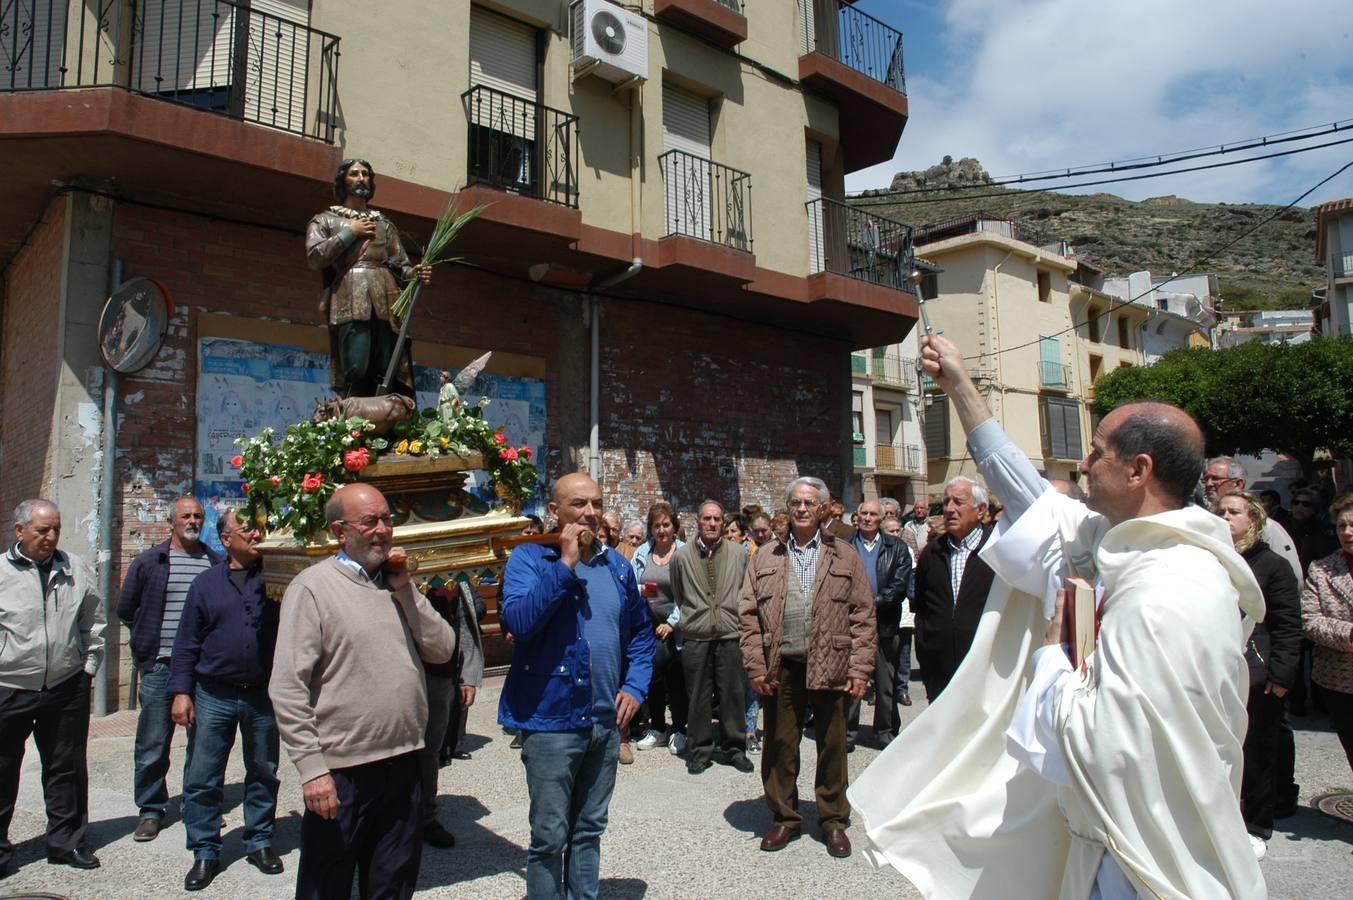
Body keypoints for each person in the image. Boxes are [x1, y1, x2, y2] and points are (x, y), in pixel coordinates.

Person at [852, 333, 1266, 899]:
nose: (1084, 462)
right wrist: (960, 387)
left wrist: (1052, 657)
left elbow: (1107, 747)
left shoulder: (1170, 588)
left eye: (1098, 453)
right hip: (1110, 834)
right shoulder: (1120, 540)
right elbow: (1032, 499)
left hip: (1151, 858)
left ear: (1139, 470)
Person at [270, 483, 454, 900]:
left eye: (388, 519)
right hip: (342, 772)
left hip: (405, 763)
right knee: (326, 886)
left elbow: (443, 648)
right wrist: (312, 768)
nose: (383, 530)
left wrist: (406, 588)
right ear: (340, 531)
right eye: (369, 521)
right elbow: (286, 686)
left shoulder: (397, 584)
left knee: (392, 884)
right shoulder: (312, 588)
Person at [498, 473, 655, 900]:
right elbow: (520, 623)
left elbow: (640, 636)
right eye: (578, 504)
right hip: (551, 720)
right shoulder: (530, 559)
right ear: (555, 511)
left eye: (597, 503)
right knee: (549, 835)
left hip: (604, 722)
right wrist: (565, 564)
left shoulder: (617, 566)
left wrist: (636, 688)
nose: (590, 513)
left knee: (588, 830)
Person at [740, 477, 876, 859]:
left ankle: (833, 821)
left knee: (833, 745)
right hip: (780, 666)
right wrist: (755, 666)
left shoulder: (845, 555)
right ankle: (784, 817)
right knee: (781, 744)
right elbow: (748, 615)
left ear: (822, 509)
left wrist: (860, 669)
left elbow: (863, 614)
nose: (802, 509)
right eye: (796, 503)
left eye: (809, 503)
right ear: (788, 508)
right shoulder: (766, 555)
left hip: (832, 663)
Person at [167, 510, 282, 890]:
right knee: (203, 777)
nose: (256, 532)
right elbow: (186, 643)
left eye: (259, 526)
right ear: (226, 537)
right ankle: (205, 850)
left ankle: (260, 840)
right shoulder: (205, 584)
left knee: (263, 770)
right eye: (246, 526)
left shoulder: (277, 578)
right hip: (213, 693)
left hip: (262, 695)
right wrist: (181, 692)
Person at [0, 499, 105, 877]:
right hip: (10, 686)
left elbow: (94, 620)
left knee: (66, 769)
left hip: (64, 685)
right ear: (20, 531)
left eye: (55, 529)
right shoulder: (1, 572)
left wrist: (88, 667)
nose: (51, 536)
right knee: (2, 769)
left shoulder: (74, 568)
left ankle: (67, 842)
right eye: (42, 530)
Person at [116, 497, 221, 842]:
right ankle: (151, 808)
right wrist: (148, 644)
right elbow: (127, 609)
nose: (192, 521)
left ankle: (197, 805)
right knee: (153, 741)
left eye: (197, 516)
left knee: (203, 742)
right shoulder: (150, 562)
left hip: (203, 670)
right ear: (171, 521)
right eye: (185, 516)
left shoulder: (214, 562)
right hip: (161, 666)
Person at [1213, 490, 1301, 858]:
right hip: (1217, 672)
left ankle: (1256, 825)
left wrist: (1281, 676)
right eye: (1220, 511)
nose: (1226, 517)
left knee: (1258, 751)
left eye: (1234, 512)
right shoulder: (1210, 559)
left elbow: (1286, 625)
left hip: (1258, 674)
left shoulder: (1271, 565)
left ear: (1254, 521)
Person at [306, 159, 431, 398]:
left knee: (388, 368)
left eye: (365, 174)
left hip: (387, 301)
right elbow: (315, 257)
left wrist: (414, 274)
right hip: (349, 297)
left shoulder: (384, 224)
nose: (361, 178)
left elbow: (400, 264)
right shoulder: (325, 220)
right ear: (343, 180)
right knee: (356, 365)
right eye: (354, 174)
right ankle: (354, 422)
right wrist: (349, 232)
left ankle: (389, 421)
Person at [673, 501, 752, 774]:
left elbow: (745, 589)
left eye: (717, 519)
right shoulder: (681, 557)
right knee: (698, 696)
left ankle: (734, 748)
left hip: (730, 631)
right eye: (707, 518)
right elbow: (678, 593)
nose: (712, 524)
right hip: (697, 634)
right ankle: (700, 751)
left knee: (733, 693)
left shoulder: (738, 554)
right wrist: (696, 616)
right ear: (698, 522)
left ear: (723, 522)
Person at [911, 476, 996, 702]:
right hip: (939, 670)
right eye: (946, 502)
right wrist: (925, 649)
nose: (949, 509)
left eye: (958, 502)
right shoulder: (931, 554)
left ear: (980, 510)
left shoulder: (998, 551)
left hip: (987, 669)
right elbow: (921, 606)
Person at [421, 579, 485, 848]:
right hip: (395, 677)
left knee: (429, 752)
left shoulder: (451, 577)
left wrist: (467, 675)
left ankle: (424, 816)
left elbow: (463, 620)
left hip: (438, 674)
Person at [847, 500, 912, 748]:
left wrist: (872, 605)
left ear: (882, 518)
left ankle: (884, 730)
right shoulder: (846, 546)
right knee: (853, 680)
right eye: (863, 513)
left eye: (873, 514)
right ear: (857, 516)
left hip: (884, 624)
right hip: (852, 625)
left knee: (886, 683)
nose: (868, 518)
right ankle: (848, 733)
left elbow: (899, 585)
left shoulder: (897, 547)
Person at [1301, 492, 1353, 772]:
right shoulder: (1321, 570)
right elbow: (1309, 621)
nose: (1347, 532)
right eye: (1341, 526)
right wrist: (1349, 634)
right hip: (1341, 681)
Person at [629, 502, 687, 757]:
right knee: (651, 678)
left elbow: (689, 596)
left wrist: (671, 623)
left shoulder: (684, 553)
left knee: (676, 680)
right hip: (647, 626)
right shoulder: (641, 553)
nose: (661, 530)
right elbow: (632, 586)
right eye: (656, 525)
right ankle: (657, 728)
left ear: (674, 526)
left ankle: (679, 730)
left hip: (677, 627)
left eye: (666, 524)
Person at [1202, 457, 1302, 582]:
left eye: (1215, 479)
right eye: (1206, 479)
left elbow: (1292, 577)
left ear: (1238, 484)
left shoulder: (1268, 527)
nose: (1208, 484)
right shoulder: (1204, 523)